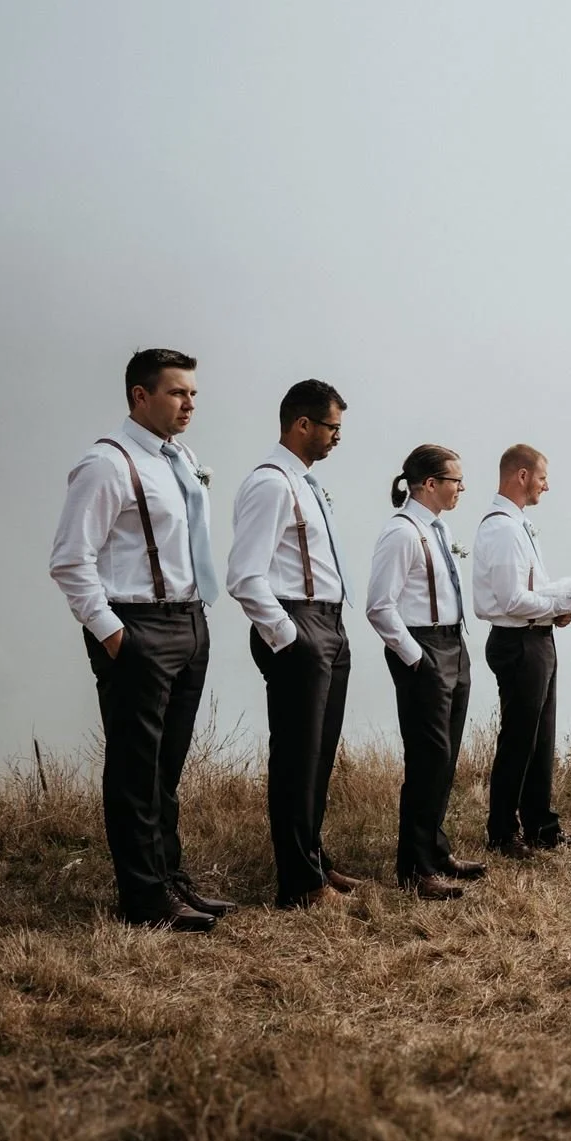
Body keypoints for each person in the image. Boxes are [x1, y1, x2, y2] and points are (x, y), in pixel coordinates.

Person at [49, 348, 233, 931]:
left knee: (166, 768)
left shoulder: (180, 459)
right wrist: (113, 636)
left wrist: (197, 620)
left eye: (194, 394)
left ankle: (168, 878)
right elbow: (70, 560)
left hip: (189, 620)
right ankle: (144, 900)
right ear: (140, 396)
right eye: (178, 393)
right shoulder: (106, 464)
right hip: (138, 627)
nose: (190, 404)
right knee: (135, 768)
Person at [226, 378, 361, 909]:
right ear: (302, 424)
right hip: (299, 625)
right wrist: (290, 637)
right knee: (297, 758)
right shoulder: (271, 483)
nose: (337, 438)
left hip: (328, 623)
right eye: (333, 427)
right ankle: (300, 885)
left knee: (319, 755)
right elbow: (244, 575)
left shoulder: (303, 482)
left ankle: (315, 861)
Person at [366, 444, 484, 900]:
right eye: (456, 481)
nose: (462, 489)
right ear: (430, 484)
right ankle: (414, 869)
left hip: (454, 644)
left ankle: (436, 850)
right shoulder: (401, 533)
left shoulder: (437, 528)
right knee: (427, 759)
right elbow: (380, 607)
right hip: (424, 649)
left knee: (446, 756)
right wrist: (417, 658)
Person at [474, 444, 571, 857]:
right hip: (518, 642)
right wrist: (557, 606)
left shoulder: (518, 524)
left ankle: (541, 826)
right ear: (521, 476)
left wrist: (555, 611)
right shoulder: (502, 528)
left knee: (541, 739)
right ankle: (502, 832)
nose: (546, 485)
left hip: (537, 638)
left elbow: (530, 590)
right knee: (519, 740)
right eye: (542, 477)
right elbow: (509, 599)